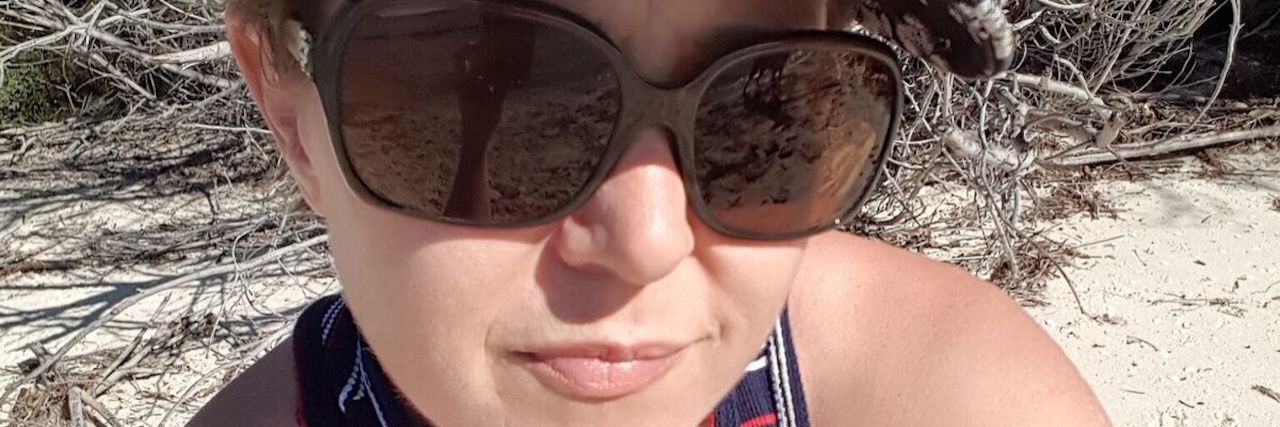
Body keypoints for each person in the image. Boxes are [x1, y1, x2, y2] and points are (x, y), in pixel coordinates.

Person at [191, 0, 1112, 425]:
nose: (649, 237)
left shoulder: (942, 390)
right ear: (291, 121)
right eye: (502, 87)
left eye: (764, 102)